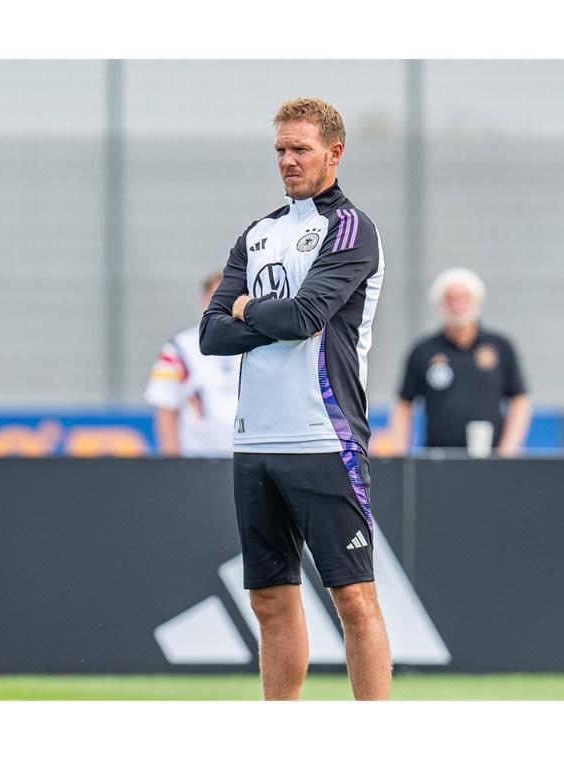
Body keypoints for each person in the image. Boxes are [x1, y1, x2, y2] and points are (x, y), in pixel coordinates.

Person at [199, 97, 390, 700]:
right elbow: (210, 334)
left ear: (334, 153)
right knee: (269, 599)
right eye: (280, 149)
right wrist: (267, 317)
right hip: (255, 439)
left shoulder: (350, 228)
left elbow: (307, 315)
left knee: (353, 598)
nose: (287, 160)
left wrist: (248, 307)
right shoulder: (256, 234)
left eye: (300, 148)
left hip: (322, 435)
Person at [388, 268, 533, 456]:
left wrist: (508, 451)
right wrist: (400, 452)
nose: (457, 306)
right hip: (437, 460)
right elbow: (404, 404)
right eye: (450, 299)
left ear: (476, 302)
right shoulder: (423, 351)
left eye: (463, 298)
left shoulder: (500, 347)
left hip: (490, 460)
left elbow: (520, 400)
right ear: (440, 304)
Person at [144, 273, 241, 458]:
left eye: (233, 298)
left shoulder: (262, 345)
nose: (226, 306)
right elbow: (165, 408)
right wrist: (173, 465)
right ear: (204, 301)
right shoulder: (178, 350)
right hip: (197, 459)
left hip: (247, 459)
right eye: (219, 298)